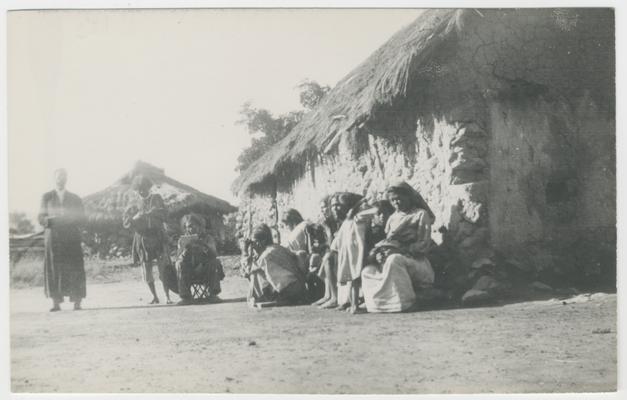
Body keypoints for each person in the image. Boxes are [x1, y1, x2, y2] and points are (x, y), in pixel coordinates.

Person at [361, 181, 436, 313]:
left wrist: (402, 250)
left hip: (417, 262)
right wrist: (379, 254)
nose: (396, 202)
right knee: (368, 270)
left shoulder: (420, 214)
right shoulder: (392, 218)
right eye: (393, 200)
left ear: (408, 197)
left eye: (399, 199)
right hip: (393, 258)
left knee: (394, 260)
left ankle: (405, 303)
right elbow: (388, 241)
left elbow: (424, 243)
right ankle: (379, 304)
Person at [39, 168, 86, 312]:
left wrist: (69, 219)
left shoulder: (75, 198)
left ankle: (77, 302)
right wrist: (50, 220)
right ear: (54, 179)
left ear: (67, 179)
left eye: (63, 177)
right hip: (53, 240)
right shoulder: (46, 197)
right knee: (54, 269)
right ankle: (55, 302)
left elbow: (82, 218)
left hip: (71, 239)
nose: (61, 180)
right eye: (58, 177)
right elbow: (40, 218)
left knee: (74, 268)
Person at [123, 175, 175, 304]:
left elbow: (165, 214)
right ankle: (155, 297)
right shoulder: (133, 204)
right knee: (147, 269)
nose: (142, 191)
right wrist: (135, 217)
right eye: (139, 189)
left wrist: (153, 213)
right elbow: (126, 222)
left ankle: (167, 296)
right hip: (142, 239)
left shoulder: (157, 199)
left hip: (158, 237)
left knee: (164, 267)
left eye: (144, 188)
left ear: (148, 188)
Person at [315, 192, 366, 312]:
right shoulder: (342, 223)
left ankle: (350, 301)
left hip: (358, 252)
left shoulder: (358, 218)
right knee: (331, 259)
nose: (335, 209)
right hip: (346, 254)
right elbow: (334, 246)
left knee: (352, 274)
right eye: (333, 206)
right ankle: (337, 297)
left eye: (339, 205)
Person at [242, 224, 307, 307]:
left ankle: (263, 297)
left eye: (254, 242)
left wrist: (245, 251)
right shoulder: (279, 247)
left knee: (255, 273)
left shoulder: (265, 256)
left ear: (262, 241)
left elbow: (247, 271)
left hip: (288, 292)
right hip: (299, 288)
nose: (253, 246)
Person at [175, 214, 225, 306]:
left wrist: (204, 245)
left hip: (205, 271)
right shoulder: (182, 240)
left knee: (215, 262)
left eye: (192, 226)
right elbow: (178, 258)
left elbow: (214, 254)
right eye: (187, 227)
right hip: (189, 272)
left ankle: (213, 294)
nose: (190, 229)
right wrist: (185, 250)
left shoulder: (208, 238)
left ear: (199, 226)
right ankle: (186, 297)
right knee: (179, 263)